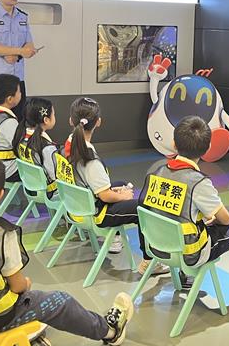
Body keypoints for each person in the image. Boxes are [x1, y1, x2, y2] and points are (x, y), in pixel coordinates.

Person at [0, 153, 134, 345]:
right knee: (61, 302)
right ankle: (110, 331)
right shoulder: (2, 233)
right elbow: (18, 286)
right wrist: (26, 284)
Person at [140, 115, 229, 312]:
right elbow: (225, 220)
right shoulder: (198, 182)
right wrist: (211, 218)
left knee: (189, 220)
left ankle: (186, 276)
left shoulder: (155, 173)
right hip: (189, 254)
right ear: (208, 148)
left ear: (173, 143)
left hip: (156, 247)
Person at [64, 97, 169, 275]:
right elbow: (104, 196)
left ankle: (115, 239)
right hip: (95, 213)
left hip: (75, 206)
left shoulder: (67, 146)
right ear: (98, 122)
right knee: (143, 208)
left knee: (119, 184)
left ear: (70, 120)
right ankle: (149, 262)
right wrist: (122, 196)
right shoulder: (90, 158)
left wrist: (114, 190)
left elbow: (90, 184)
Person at [13, 97, 59, 198]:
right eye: (53, 114)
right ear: (46, 120)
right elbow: (54, 176)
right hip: (49, 193)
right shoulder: (47, 147)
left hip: (29, 188)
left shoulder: (21, 137)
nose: (54, 116)